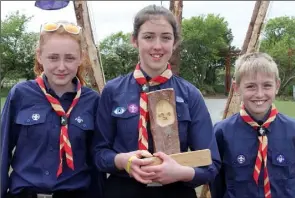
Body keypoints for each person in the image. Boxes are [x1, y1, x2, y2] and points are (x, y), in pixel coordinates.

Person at [92, 4, 221, 198]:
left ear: (175, 42)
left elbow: (211, 163)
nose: (157, 46)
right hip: (123, 190)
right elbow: (98, 153)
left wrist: (181, 172)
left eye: (166, 37)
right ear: (134, 40)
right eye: (148, 37)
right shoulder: (113, 91)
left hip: (176, 191)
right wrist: (122, 161)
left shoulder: (190, 94)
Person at [1, 21, 106, 198]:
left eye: (70, 58)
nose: (62, 66)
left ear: (81, 58)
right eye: (53, 57)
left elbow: (96, 160)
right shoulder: (20, 94)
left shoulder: (92, 101)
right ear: (40, 56)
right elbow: (3, 152)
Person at [210, 52, 295, 198]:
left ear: (277, 86)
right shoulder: (221, 132)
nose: (259, 94)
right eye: (251, 86)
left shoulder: (294, 131)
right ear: (237, 88)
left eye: (267, 86)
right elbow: (217, 185)